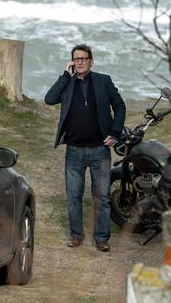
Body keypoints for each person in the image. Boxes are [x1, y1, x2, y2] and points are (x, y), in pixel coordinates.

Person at [44, 44, 126, 252]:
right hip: (74, 151)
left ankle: (101, 238)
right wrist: (64, 75)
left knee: (102, 196)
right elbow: (49, 99)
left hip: (100, 149)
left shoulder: (103, 81)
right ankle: (76, 235)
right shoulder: (67, 83)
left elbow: (120, 106)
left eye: (83, 58)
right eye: (76, 59)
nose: (79, 62)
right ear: (72, 62)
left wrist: (115, 133)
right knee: (73, 195)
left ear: (91, 61)